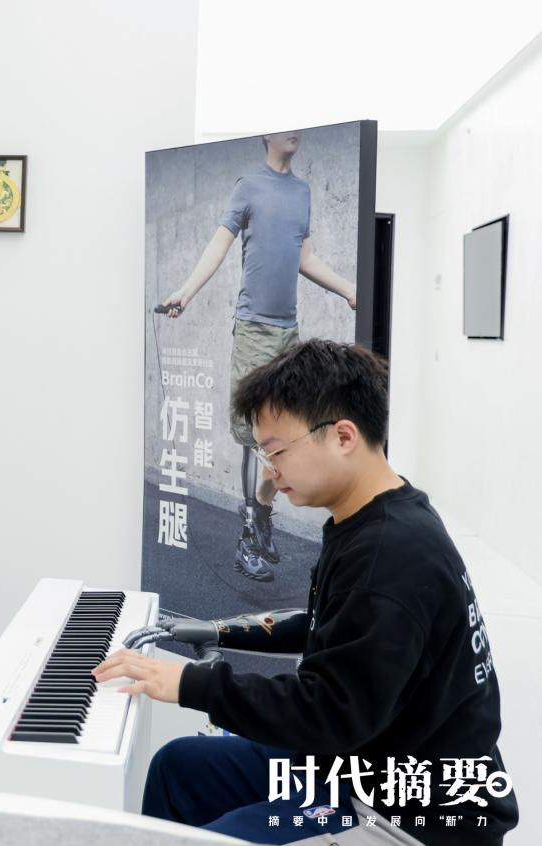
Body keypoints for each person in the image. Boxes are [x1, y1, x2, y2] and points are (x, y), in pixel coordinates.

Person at [94, 340, 518, 845]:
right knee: (178, 767)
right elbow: (327, 625)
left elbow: (329, 712)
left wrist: (194, 684)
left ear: (343, 436)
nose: (269, 470)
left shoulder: (391, 556)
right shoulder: (374, 516)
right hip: (356, 761)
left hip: (408, 813)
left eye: (276, 451)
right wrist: (216, 630)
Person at [159, 130, 357, 582]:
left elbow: (305, 259)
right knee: (255, 436)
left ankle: (262, 512)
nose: (295, 131)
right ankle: (247, 538)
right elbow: (218, 246)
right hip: (253, 332)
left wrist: (350, 290)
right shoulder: (248, 186)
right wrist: (185, 293)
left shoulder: (302, 192)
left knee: (290, 436)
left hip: (289, 333)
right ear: (267, 134)